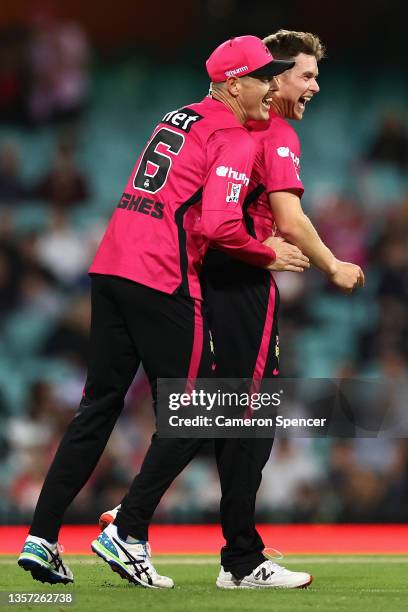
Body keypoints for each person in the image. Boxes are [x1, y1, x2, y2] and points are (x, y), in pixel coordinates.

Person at [18, 35, 307, 589]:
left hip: (110, 267)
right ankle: (127, 532)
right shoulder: (233, 136)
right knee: (196, 409)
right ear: (231, 83)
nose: (271, 86)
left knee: (97, 407)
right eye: (261, 77)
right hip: (163, 275)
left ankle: (42, 537)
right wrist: (270, 252)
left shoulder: (176, 117)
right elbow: (222, 225)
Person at [100, 29, 365, 590]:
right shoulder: (276, 135)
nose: (311, 87)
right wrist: (333, 264)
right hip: (242, 275)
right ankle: (201, 544)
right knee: (247, 411)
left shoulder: (228, 125)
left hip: (194, 273)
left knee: (217, 407)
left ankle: (169, 528)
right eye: (304, 75)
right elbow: (289, 221)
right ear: (272, 77)